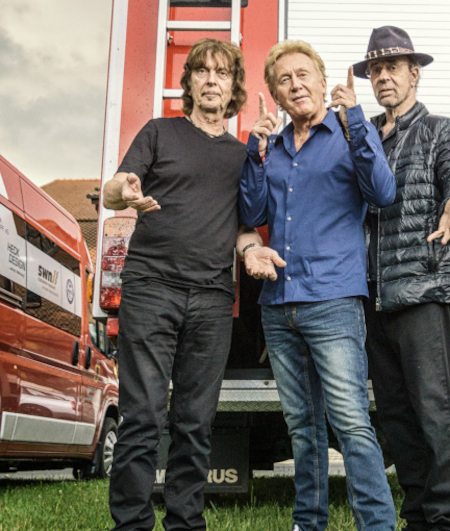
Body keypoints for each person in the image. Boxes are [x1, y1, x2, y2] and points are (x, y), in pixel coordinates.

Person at [237, 40, 397, 531]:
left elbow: (382, 193)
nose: (295, 85)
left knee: (351, 424)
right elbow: (252, 213)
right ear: (276, 95)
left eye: (303, 74)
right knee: (303, 429)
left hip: (333, 302)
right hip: (278, 304)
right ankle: (308, 522)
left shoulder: (349, 133)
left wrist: (358, 122)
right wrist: (254, 156)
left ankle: (377, 525)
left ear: (323, 83)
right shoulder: (274, 147)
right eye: (284, 80)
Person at [103, 38, 248, 531]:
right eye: (202, 71)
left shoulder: (242, 156)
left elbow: (247, 224)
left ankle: (186, 522)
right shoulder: (159, 132)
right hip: (151, 288)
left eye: (222, 73)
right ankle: (132, 523)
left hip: (212, 298)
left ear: (233, 87)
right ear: (189, 82)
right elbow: (114, 190)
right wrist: (124, 190)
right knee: (143, 415)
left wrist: (251, 248)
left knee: (195, 422)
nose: (211, 80)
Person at [351, 26, 450, 531]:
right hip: (373, 296)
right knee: (395, 414)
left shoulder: (441, 130)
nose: (383, 77)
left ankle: (449, 519)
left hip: (424, 290)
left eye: (393, 68)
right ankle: (417, 517)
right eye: (375, 69)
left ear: (414, 74)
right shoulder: (362, 135)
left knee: (433, 410)